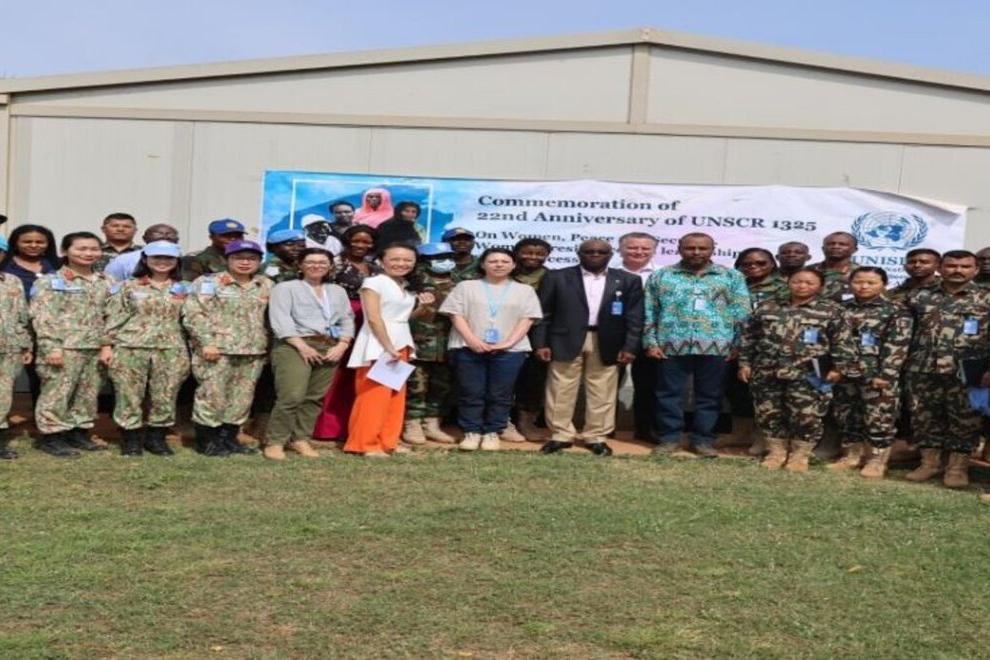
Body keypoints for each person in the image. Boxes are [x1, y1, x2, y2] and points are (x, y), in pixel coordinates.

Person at [533, 239, 643, 456]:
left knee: (603, 390)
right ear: (579, 254)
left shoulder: (628, 280)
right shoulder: (557, 277)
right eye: (589, 251)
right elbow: (543, 314)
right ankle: (561, 435)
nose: (595, 255)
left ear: (610, 255)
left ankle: (596, 436)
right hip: (564, 338)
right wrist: (541, 343)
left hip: (608, 340)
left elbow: (635, 317)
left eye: (601, 252)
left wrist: (630, 346)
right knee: (560, 388)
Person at [643, 233, 750, 457]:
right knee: (668, 395)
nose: (696, 252)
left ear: (713, 249)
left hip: (718, 346)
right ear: (679, 249)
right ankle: (670, 439)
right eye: (690, 248)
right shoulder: (662, 276)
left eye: (702, 248)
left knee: (711, 396)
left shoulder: (731, 276)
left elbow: (742, 313)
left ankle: (702, 440)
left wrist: (738, 345)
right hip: (670, 345)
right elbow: (650, 310)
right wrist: (650, 342)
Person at [738, 268, 849, 472]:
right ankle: (776, 452)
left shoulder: (832, 311)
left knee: (807, 415)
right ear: (788, 282)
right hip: (768, 370)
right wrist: (745, 363)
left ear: (820, 286)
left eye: (809, 283)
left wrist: (838, 367)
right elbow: (749, 337)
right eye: (797, 281)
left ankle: (800, 455)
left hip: (809, 373)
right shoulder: (768, 307)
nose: (802, 286)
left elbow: (842, 342)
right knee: (769, 413)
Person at [902, 250, 990, 488]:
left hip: (967, 371)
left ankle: (957, 468)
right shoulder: (919, 296)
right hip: (922, 367)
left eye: (965, 266)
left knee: (965, 419)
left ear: (975, 270)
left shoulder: (985, 298)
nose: (957, 270)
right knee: (923, 416)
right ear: (940, 268)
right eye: (951, 266)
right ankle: (929, 464)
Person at [441, 248, 542, 451]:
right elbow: (455, 314)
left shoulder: (524, 290)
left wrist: (508, 343)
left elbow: (528, 319)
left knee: (501, 393)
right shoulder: (466, 286)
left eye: (504, 261)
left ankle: (492, 431)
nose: (499, 265)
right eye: (493, 261)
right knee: (471, 391)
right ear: (483, 264)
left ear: (513, 265)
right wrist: (472, 340)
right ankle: (471, 431)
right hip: (468, 347)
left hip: (510, 351)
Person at [182, 239, 272, 457]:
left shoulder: (266, 285)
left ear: (259, 261)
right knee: (212, 395)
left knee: (242, 398)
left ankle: (229, 438)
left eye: (251, 258)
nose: (245, 262)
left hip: (253, 350)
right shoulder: (208, 282)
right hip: (217, 349)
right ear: (226, 260)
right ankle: (207, 440)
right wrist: (206, 342)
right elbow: (194, 314)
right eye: (238, 258)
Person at [103, 241, 191, 457]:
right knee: (129, 394)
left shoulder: (186, 288)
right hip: (131, 347)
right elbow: (113, 317)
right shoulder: (129, 286)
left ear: (177, 261)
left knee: (166, 394)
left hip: (171, 348)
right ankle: (130, 439)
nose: (162, 262)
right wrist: (106, 345)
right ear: (145, 259)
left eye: (168, 258)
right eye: (157, 257)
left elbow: (193, 319)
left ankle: (156, 438)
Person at [344, 243, 433, 457]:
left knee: (394, 396)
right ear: (382, 261)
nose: (401, 263)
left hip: (401, 342)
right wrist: (387, 346)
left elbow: (402, 317)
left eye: (407, 260)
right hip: (379, 343)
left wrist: (423, 308)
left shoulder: (405, 285)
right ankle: (365, 443)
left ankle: (388, 441)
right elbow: (374, 317)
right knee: (374, 396)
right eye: (395, 259)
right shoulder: (373, 282)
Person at [266, 248, 354, 460]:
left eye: (322, 262)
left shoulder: (337, 291)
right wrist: (301, 346)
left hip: (329, 346)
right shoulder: (285, 288)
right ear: (300, 265)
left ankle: (300, 439)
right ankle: (275, 441)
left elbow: (347, 318)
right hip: (294, 345)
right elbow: (280, 319)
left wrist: (342, 344)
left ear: (330, 266)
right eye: (311, 262)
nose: (317, 266)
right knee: (291, 395)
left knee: (314, 397)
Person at [30, 232, 112, 458]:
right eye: (81, 249)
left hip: (95, 348)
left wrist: (107, 345)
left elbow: (112, 316)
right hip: (64, 348)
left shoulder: (107, 282)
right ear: (65, 251)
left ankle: (79, 432)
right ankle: (52, 436)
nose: (88, 253)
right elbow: (44, 317)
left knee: (88, 394)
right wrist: (52, 347)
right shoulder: (50, 281)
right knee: (57, 393)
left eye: (94, 249)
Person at [826, 267, 912, 478]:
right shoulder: (840, 308)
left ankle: (877, 461)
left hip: (876, 374)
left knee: (879, 418)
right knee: (847, 415)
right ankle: (851, 456)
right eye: (858, 282)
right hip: (845, 373)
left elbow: (898, 345)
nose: (863, 286)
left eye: (871, 282)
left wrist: (886, 374)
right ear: (850, 283)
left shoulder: (896, 310)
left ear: (884, 284)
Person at [312, 225, 381, 440]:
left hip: (368, 321)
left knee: (357, 371)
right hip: (339, 319)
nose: (361, 245)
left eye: (366, 242)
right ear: (347, 241)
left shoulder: (376, 267)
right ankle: (326, 428)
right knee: (334, 372)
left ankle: (351, 426)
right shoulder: (335, 263)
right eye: (356, 240)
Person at [728, 248, 787, 454]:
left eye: (761, 263)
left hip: (769, 347)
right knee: (737, 391)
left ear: (772, 264)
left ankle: (764, 437)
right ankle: (741, 434)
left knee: (768, 394)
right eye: (747, 264)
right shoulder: (732, 285)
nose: (754, 267)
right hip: (733, 345)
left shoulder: (785, 287)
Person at [403, 242, 459, 446]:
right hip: (417, 345)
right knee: (415, 387)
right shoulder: (411, 284)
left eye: (448, 257)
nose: (445, 261)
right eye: (438, 258)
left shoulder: (460, 284)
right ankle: (412, 424)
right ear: (425, 261)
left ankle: (432, 424)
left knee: (441, 387)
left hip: (447, 345)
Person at [618, 232, 660, 442]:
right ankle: (604, 429)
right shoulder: (609, 273)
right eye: (633, 247)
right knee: (607, 384)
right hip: (616, 335)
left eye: (645, 248)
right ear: (620, 249)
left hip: (650, 336)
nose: (639, 252)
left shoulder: (662, 274)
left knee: (648, 385)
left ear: (654, 251)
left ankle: (645, 429)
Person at [511, 238, 553, 440]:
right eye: (527, 252)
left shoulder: (553, 277)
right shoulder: (505, 274)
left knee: (533, 380)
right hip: (504, 332)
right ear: (516, 253)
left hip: (538, 335)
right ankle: (500, 422)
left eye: (539, 254)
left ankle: (527, 422)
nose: (533, 257)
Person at [0, 266, 31, 459]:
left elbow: (22, 316)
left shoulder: (12, 281)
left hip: (9, 348)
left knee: (2, 394)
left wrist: (26, 345)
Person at [104, 224, 180, 281]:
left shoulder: (183, 260)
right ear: (144, 238)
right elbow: (110, 283)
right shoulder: (124, 260)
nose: (164, 237)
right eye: (158, 234)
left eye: (169, 234)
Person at [0, 223, 59, 297]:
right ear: (15, 243)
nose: (33, 245)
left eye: (39, 242)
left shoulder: (59, 265)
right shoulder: (4, 264)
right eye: (27, 242)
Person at [810, 232, 857, 302]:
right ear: (823, 248)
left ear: (854, 249)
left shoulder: (862, 273)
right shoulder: (807, 271)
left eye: (842, 244)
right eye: (831, 244)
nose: (836, 247)